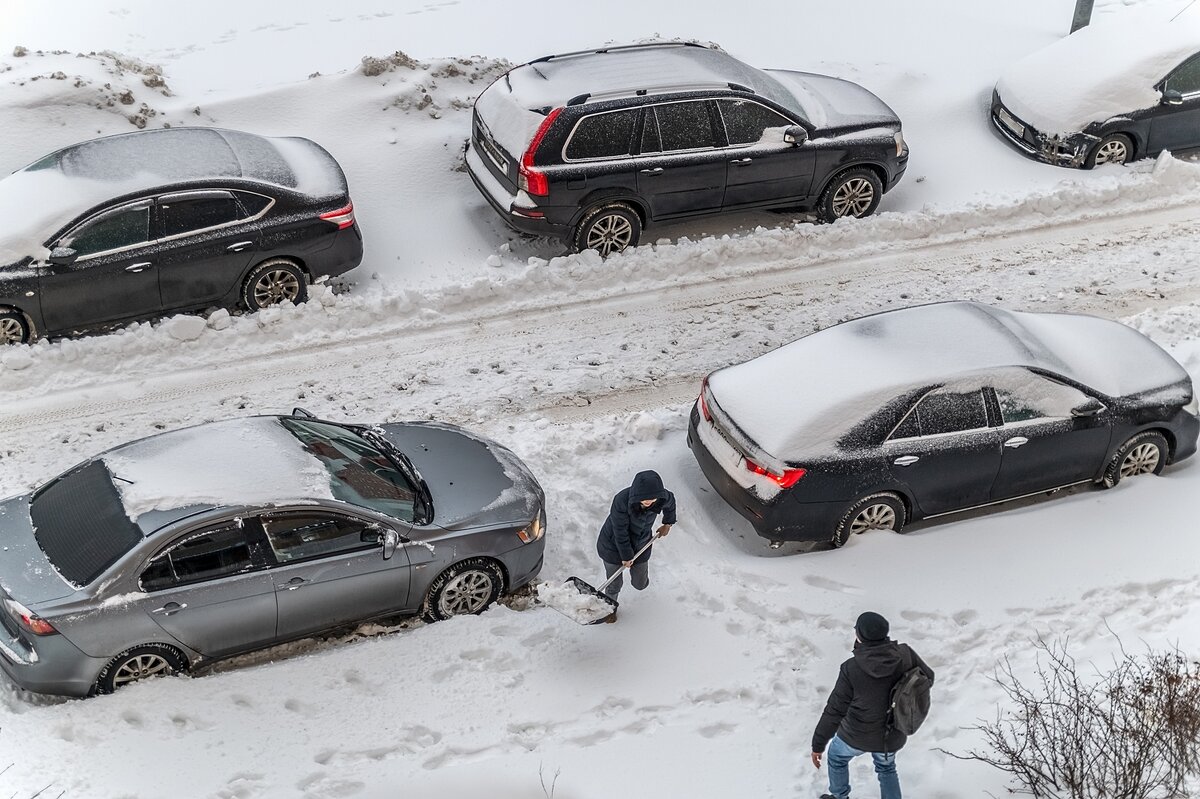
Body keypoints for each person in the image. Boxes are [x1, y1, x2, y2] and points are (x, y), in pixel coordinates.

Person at [810, 612, 934, 799]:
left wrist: (818, 744)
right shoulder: (905, 654)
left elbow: (834, 711)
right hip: (892, 735)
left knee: (837, 758)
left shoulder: (851, 669)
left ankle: (839, 796)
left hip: (854, 737)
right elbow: (928, 678)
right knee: (886, 768)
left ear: (859, 635)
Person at [593, 470, 676, 621]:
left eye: (652, 498)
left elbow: (671, 504)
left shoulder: (662, 497)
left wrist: (668, 523)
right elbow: (620, 531)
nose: (649, 501)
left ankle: (639, 581)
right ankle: (609, 610)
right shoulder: (622, 500)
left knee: (640, 584)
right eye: (645, 498)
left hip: (641, 543)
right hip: (613, 545)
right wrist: (626, 557)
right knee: (614, 584)